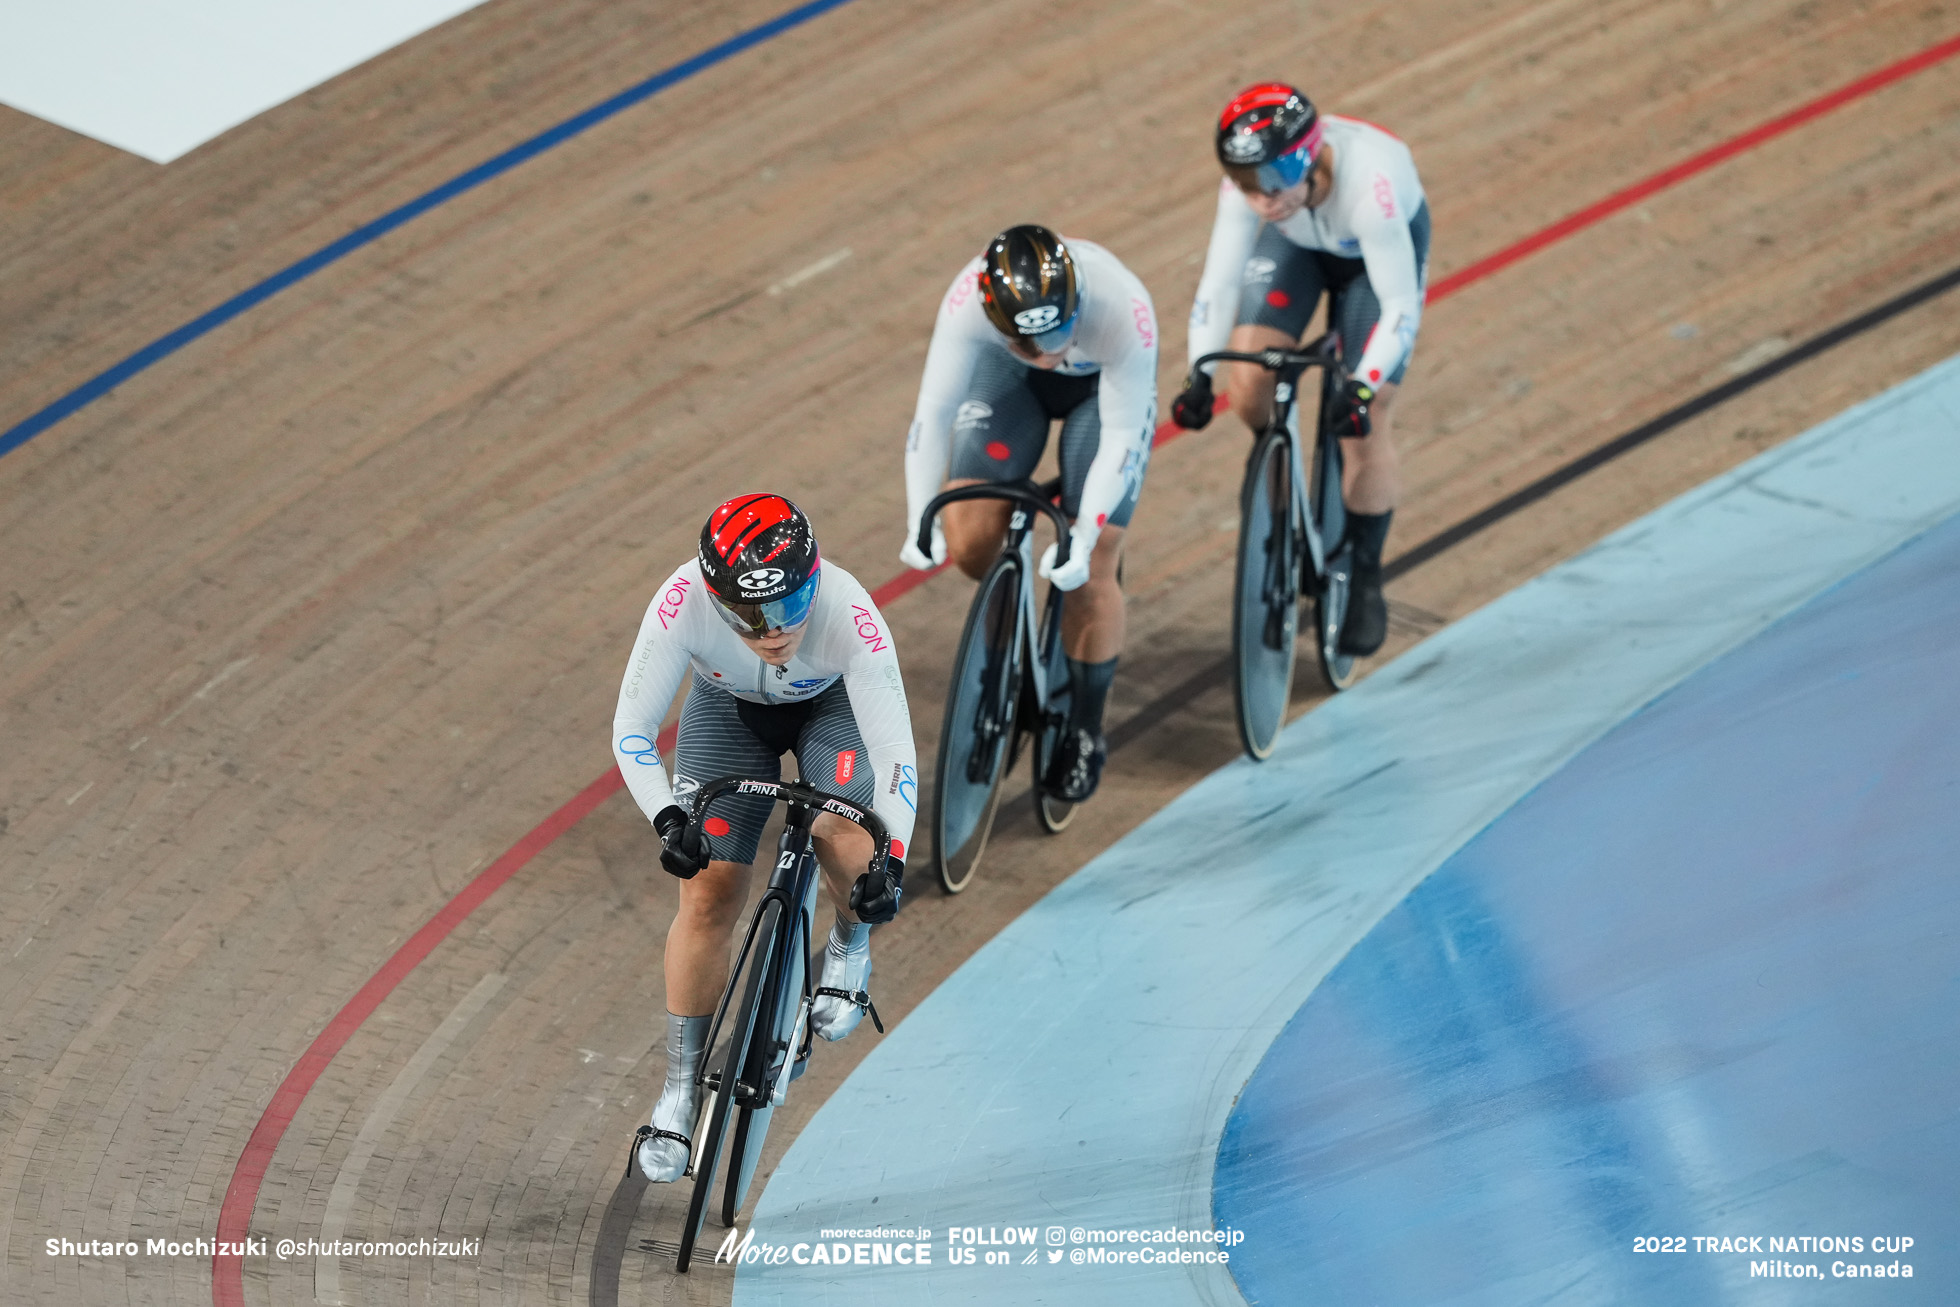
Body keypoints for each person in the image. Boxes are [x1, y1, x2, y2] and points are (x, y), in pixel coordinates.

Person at [613, 493, 915, 1184]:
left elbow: (897, 755)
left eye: (787, 605)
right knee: (708, 891)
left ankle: (849, 945)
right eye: (748, 616)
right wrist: (668, 819)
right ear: (711, 598)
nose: (773, 631)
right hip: (728, 714)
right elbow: (631, 731)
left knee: (843, 827)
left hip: (828, 710)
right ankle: (679, 1091)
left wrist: (889, 863)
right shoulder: (680, 600)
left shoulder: (850, 613)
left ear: (814, 576)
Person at [900, 224, 1158, 801]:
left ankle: (1086, 728)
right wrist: (921, 515)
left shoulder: (1120, 306)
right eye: (1029, 342)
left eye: (1059, 332)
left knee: (1094, 563)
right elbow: (932, 416)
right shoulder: (968, 302)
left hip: (1102, 397)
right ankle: (1007, 638)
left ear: (1075, 302)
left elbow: (1122, 437)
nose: (1047, 353)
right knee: (970, 540)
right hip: (1008, 384)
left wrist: (1086, 533)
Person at [1171, 83, 1431, 655]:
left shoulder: (1372, 188)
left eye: (1273, 180)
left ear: (1310, 157)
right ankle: (1275, 455)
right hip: (1303, 248)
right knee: (1248, 379)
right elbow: (1219, 283)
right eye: (1248, 185)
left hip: (1374, 264)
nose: (1262, 199)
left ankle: (1364, 572)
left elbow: (1399, 308)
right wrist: (1199, 374)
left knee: (1367, 423)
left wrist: (1362, 387)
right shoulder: (1256, 188)